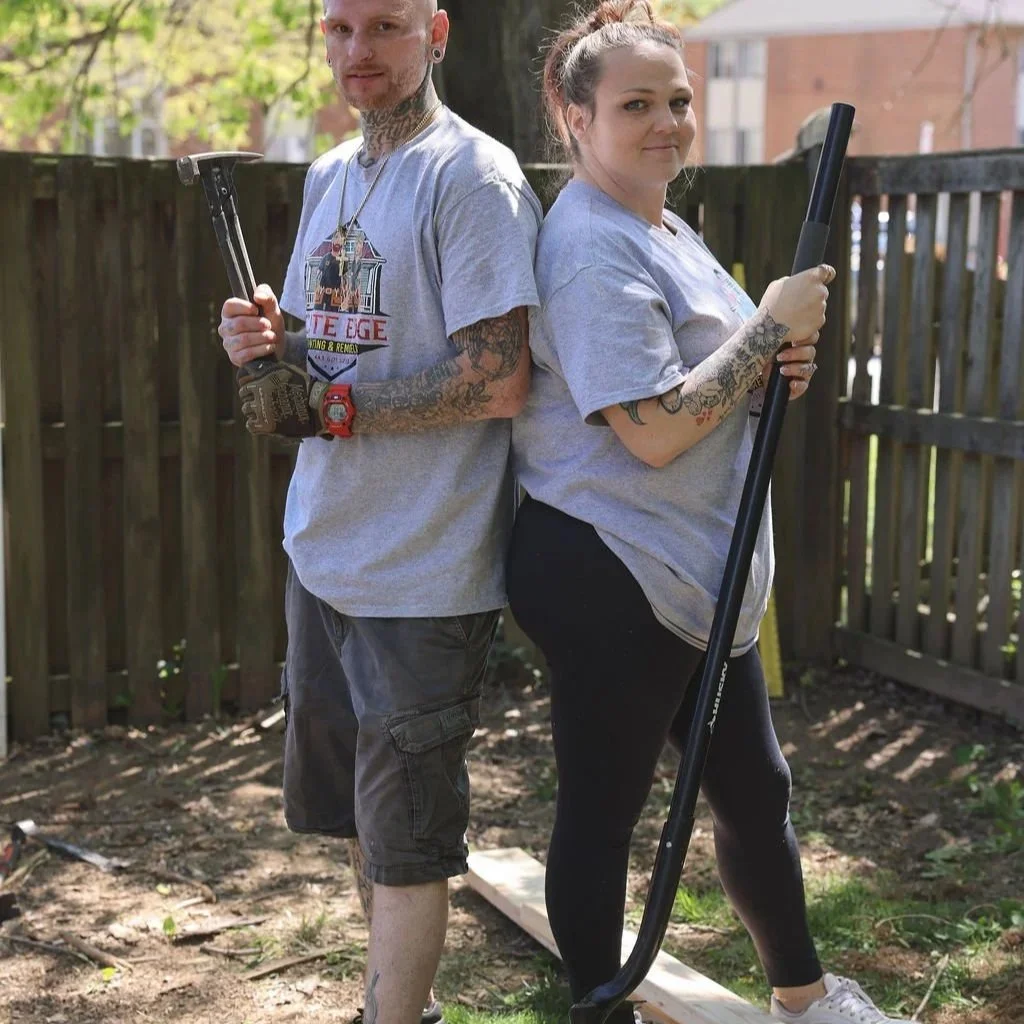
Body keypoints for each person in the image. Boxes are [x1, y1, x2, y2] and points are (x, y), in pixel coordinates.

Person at [506, 4, 912, 1023]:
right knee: (604, 812)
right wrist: (764, 330)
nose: (666, 123)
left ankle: (805, 1000)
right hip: (614, 573)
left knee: (754, 792)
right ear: (573, 115)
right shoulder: (592, 246)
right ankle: (599, 1009)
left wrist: (773, 360)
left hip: (696, 573)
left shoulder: (662, 224)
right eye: (635, 103)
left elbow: (710, 379)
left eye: (678, 101)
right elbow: (651, 428)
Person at [217, 2, 542, 1022]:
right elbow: (335, 352)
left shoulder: (471, 177)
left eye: (386, 27)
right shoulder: (330, 175)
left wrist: (334, 404)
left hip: (423, 562)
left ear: (436, 32)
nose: (358, 52)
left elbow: (496, 380)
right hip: (325, 548)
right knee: (366, 815)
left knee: (406, 833)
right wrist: (270, 345)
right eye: (338, 28)